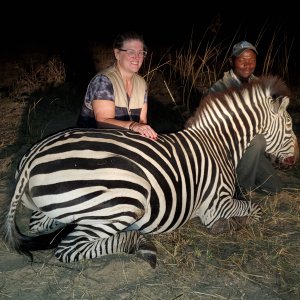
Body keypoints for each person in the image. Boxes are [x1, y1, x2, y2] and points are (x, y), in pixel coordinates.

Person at [210, 40, 300, 195]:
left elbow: (274, 118)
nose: (248, 65)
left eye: (252, 60)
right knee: (258, 140)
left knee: (274, 188)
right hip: (225, 150)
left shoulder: (259, 84)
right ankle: (237, 190)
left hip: (251, 150)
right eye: (242, 60)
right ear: (232, 61)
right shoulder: (219, 88)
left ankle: (244, 175)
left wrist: (288, 145)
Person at [77, 31, 157, 140]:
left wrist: (143, 130)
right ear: (117, 54)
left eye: (141, 52)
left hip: (124, 140)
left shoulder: (142, 83)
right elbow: (103, 121)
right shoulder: (103, 80)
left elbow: (143, 121)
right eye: (131, 52)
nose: (137, 57)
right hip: (92, 140)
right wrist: (133, 126)